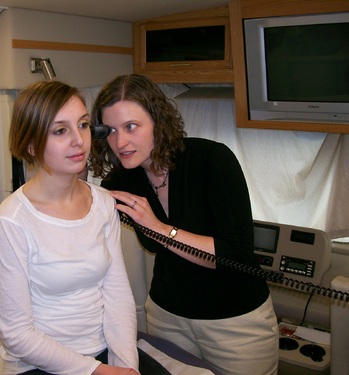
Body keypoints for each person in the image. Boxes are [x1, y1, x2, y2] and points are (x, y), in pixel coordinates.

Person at [88, 74, 279, 375]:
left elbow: (235, 254)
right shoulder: (122, 179)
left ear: (158, 122)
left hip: (234, 321)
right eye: (109, 131)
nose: (120, 142)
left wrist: (160, 229)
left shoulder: (212, 160)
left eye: (131, 127)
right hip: (166, 316)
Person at [0, 80, 140, 375]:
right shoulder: (13, 220)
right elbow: (16, 334)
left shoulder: (103, 203)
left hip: (101, 353)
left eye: (83, 125)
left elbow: (118, 295)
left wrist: (126, 366)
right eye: (60, 130)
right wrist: (98, 372)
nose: (79, 141)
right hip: (37, 364)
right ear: (31, 144)